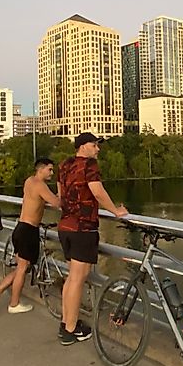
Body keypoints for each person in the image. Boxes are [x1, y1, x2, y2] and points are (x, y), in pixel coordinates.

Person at [56, 133, 128, 345]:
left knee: (73, 277)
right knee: (78, 279)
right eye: (94, 145)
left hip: (65, 226)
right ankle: (70, 330)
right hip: (83, 228)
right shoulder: (90, 165)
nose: (98, 149)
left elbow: (60, 195)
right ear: (83, 147)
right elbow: (97, 192)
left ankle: (65, 322)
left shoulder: (64, 165)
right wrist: (115, 211)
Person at [0, 158, 60, 317]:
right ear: (40, 169)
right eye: (50, 169)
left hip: (20, 228)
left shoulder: (29, 181)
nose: (52, 173)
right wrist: (61, 187)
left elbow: (40, 199)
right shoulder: (41, 185)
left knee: (22, 266)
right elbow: (56, 202)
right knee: (22, 268)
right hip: (28, 231)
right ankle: (14, 304)